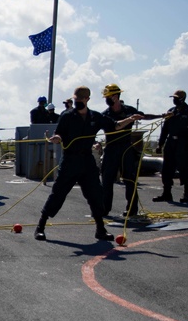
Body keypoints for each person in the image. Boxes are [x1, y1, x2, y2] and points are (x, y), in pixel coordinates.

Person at [34, 86, 142, 242]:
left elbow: (115, 125)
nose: (77, 102)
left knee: (96, 194)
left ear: (87, 100)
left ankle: (100, 229)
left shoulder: (95, 117)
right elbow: (59, 132)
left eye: (80, 100)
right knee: (58, 193)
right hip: (70, 161)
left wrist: (131, 119)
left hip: (87, 161)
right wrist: (56, 138)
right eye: (75, 100)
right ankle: (40, 227)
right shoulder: (67, 116)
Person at [99, 84, 163, 217]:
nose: (106, 99)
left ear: (115, 97)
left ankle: (132, 208)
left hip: (126, 148)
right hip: (111, 149)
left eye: (108, 97)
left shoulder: (129, 110)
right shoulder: (105, 115)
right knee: (107, 180)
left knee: (130, 179)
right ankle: (105, 208)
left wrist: (162, 115)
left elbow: (144, 116)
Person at [154, 90, 188, 203]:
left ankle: (186, 194)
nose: (174, 100)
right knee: (166, 169)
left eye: (176, 98)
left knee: (185, 168)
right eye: (173, 98)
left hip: (183, 141)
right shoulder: (171, 111)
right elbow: (165, 129)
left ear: (182, 99)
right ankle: (166, 193)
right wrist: (160, 144)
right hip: (170, 142)